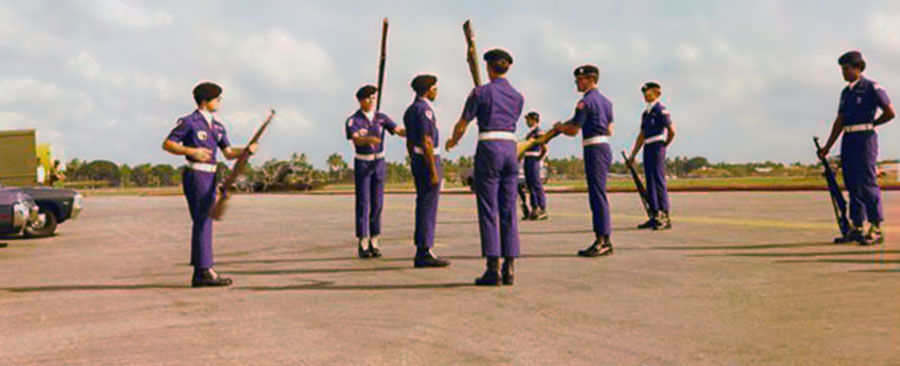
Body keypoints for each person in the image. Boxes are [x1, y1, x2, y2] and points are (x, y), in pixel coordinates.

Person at [162, 82, 258, 287]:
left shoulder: (218, 126)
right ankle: (204, 270)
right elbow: (168, 144)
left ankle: (202, 271)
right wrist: (191, 151)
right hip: (196, 175)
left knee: (204, 221)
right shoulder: (190, 122)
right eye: (217, 98)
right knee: (203, 220)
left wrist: (247, 150)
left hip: (212, 176)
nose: (220, 101)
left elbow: (229, 153)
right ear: (205, 100)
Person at [447, 49, 524, 286]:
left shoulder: (480, 92)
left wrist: (453, 140)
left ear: (489, 67)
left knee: (489, 208)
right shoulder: (517, 96)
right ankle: (510, 266)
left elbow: (463, 123)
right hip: (511, 148)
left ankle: (493, 266)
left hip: (489, 148)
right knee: (508, 207)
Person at [818, 50, 894, 245]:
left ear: (858, 68)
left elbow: (890, 112)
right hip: (849, 139)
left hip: (865, 139)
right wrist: (827, 146)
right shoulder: (846, 93)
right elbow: (840, 121)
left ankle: (876, 227)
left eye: (847, 69)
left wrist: (873, 124)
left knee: (868, 183)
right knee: (852, 184)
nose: (844, 73)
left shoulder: (871, 87)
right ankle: (857, 227)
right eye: (842, 69)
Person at [553, 65, 615, 257]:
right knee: (599, 193)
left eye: (579, 80)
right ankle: (603, 238)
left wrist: (559, 127)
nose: (576, 84)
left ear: (589, 79)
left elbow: (573, 130)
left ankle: (602, 240)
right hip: (604, 146)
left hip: (594, 149)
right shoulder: (606, 102)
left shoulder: (584, 103)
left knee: (597, 196)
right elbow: (610, 129)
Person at [345, 84, 406, 258]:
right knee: (364, 202)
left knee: (378, 203)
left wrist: (412, 132)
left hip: (379, 162)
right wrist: (367, 140)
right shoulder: (354, 120)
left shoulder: (381, 118)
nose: (371, 101)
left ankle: (375, 240)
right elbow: (356, 139)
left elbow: (397, 130)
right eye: (368, 98)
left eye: (373, 98)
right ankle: (363, 241)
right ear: (360, 100)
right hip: (363, 163)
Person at [403, 74, 451, 268]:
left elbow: (409, 141)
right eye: (435, 88)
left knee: (423, 203)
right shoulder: (424, 110)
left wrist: (414, 161)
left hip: (417, 159)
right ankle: (424, 250)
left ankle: (423, 248)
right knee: (428, 206)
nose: (437, 91)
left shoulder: (410, 110)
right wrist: (433, 171)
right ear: (428, 89)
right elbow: (427, 141)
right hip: (427, 159)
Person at [627, 81, 675, 230]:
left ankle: (664, 215)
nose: (645, 95)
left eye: (648, 92)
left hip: (657, 146)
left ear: (657, 93)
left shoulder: (661, 110)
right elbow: (641, 135)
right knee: (650, 181)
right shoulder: (646, 114)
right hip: (647, 147)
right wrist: (633, 154)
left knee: (658, 180)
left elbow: (672, 130)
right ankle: (654, 215)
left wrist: (664, 145)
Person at [522, 111, 548, 221]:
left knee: (536, 184)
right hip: (527, 158)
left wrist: (540, 158)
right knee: (530, 184)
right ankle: (534, 207)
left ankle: (541, 207)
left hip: (533, 158)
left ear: (534, 120)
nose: (527, 122)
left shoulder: (539, 132)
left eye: (528, 119)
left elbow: (544, 146)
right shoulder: (530, 132)